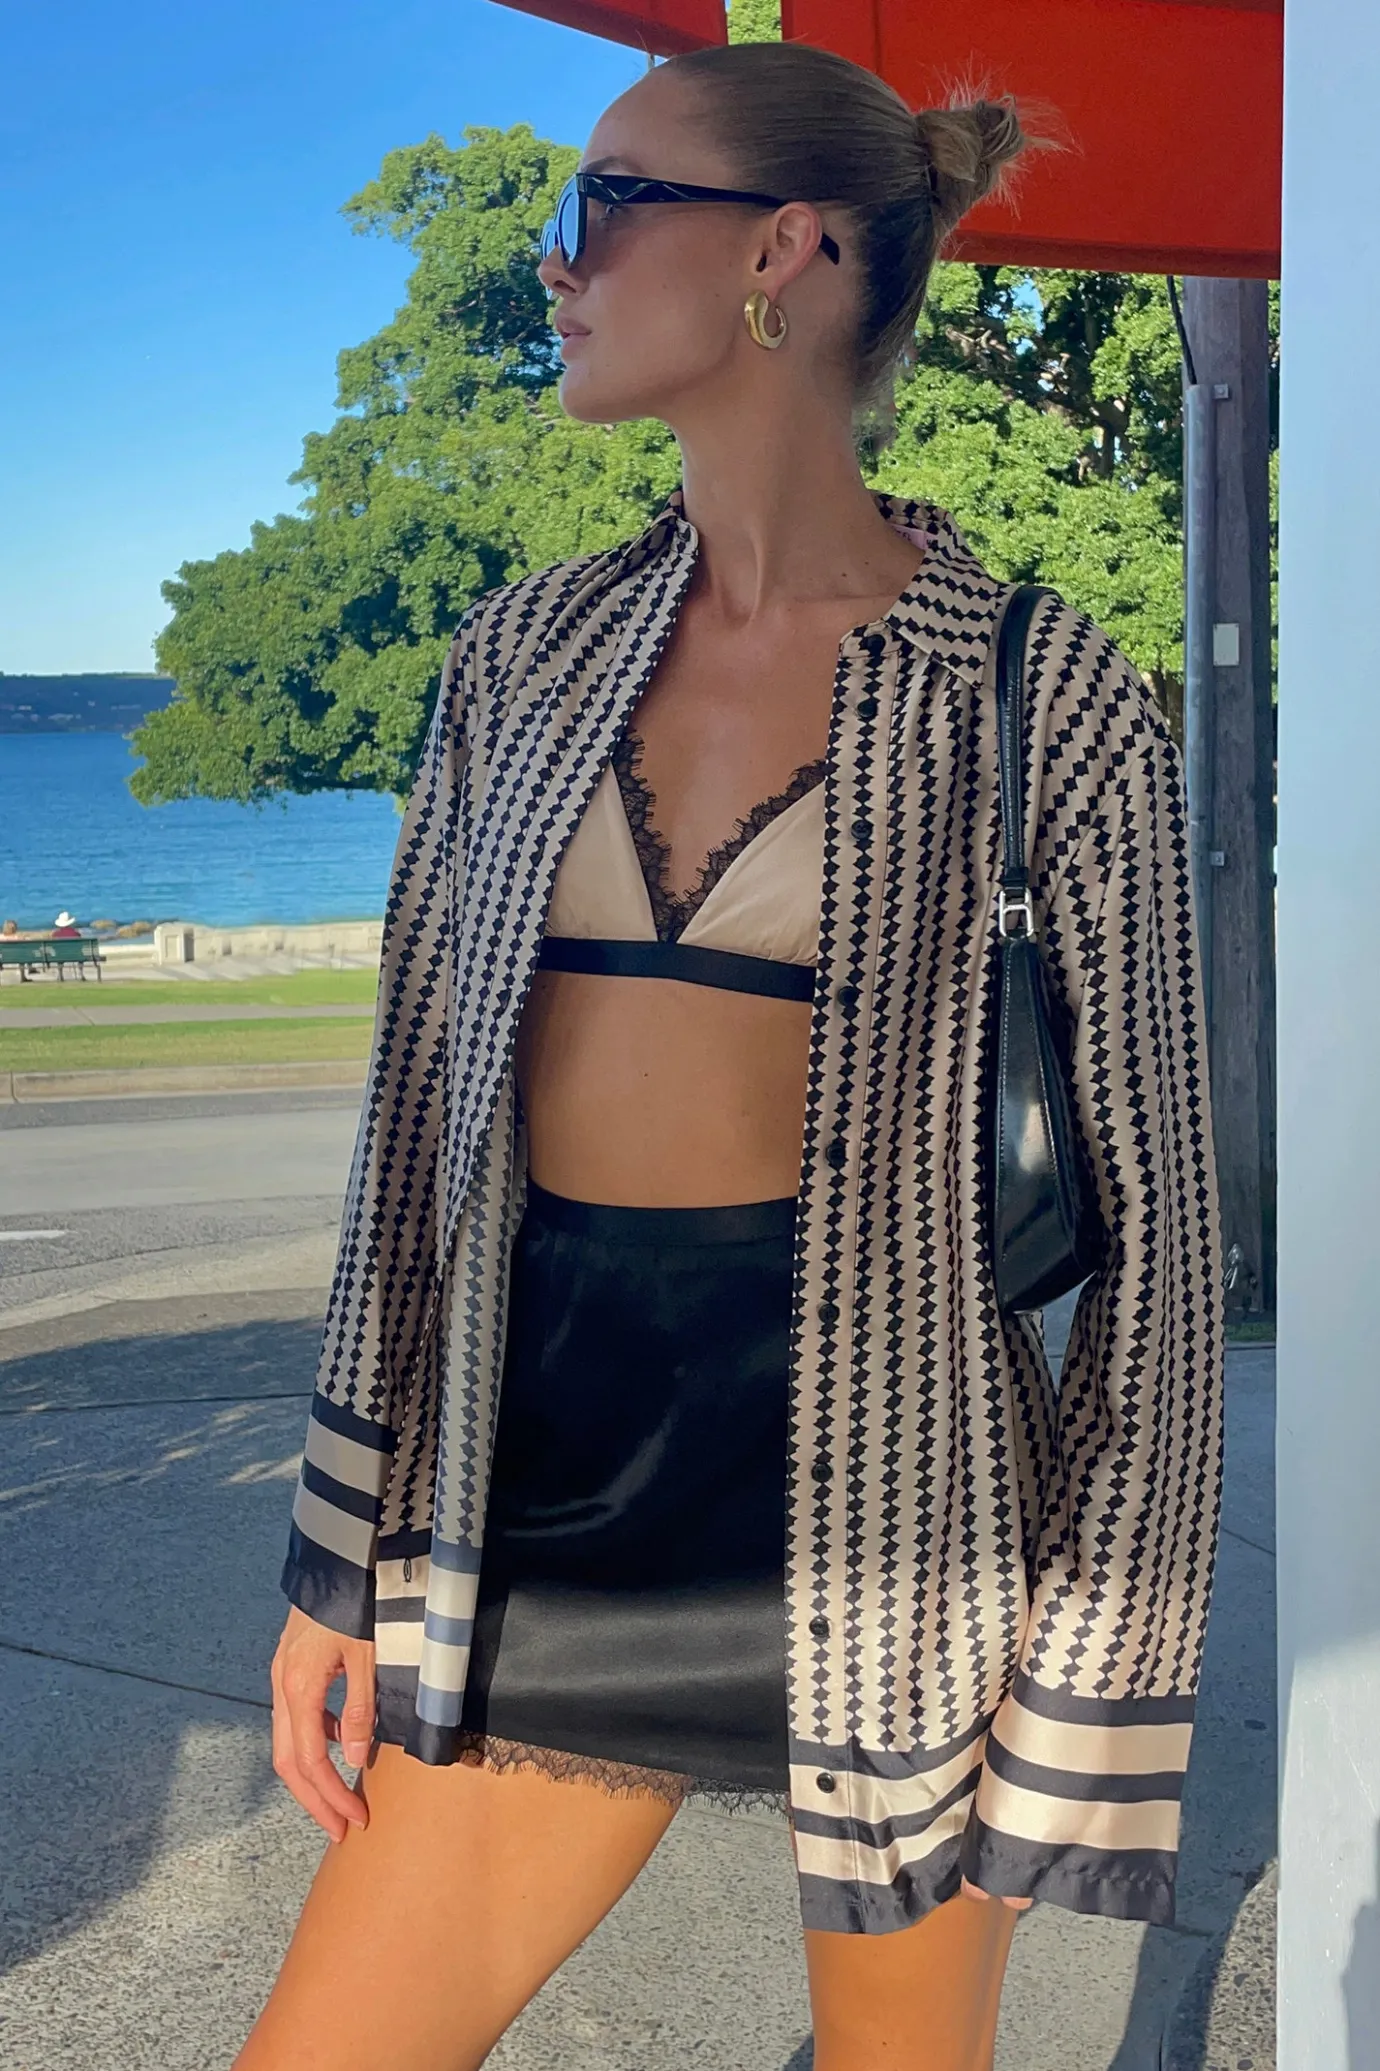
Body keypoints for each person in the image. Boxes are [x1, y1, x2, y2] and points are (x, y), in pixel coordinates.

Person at [241, 41, 1223, 2071]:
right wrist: (340, 1556)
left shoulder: (1045, 693)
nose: (556, 260)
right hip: (540, 1504)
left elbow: (1157, 1255)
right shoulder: (521, 655)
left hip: (905, 1523)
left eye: (603, 203)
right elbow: (410, 1139)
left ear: (781, 251)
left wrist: (1085, 1691)